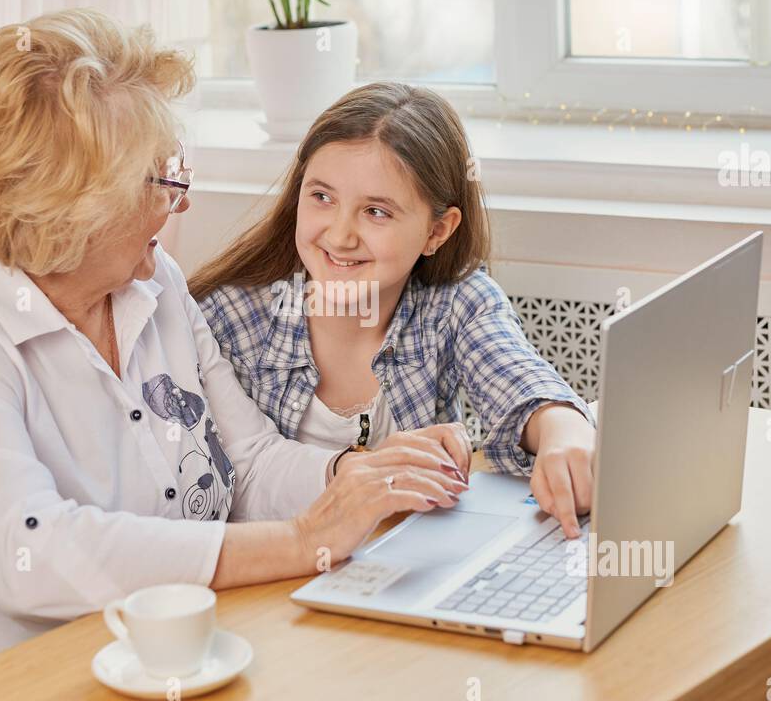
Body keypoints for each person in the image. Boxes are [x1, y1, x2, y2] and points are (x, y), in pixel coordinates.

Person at [0, 12, 469, 701]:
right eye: (156, 180)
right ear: (70, 210)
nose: (180, 199)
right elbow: (29, 549)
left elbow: (250, 460)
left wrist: (361, 480)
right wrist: (302, 541)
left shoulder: (152, 283)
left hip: (149, 673)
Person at [189, 82, 596, 542]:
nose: (340, 235)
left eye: (376, 212)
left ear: (437, 231)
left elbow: (518, 380)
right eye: (322, 197)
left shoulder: (455, 304)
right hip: (273, 577)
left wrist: (565, 428)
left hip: (398, 567)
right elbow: (215, 485)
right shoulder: (229, 319)